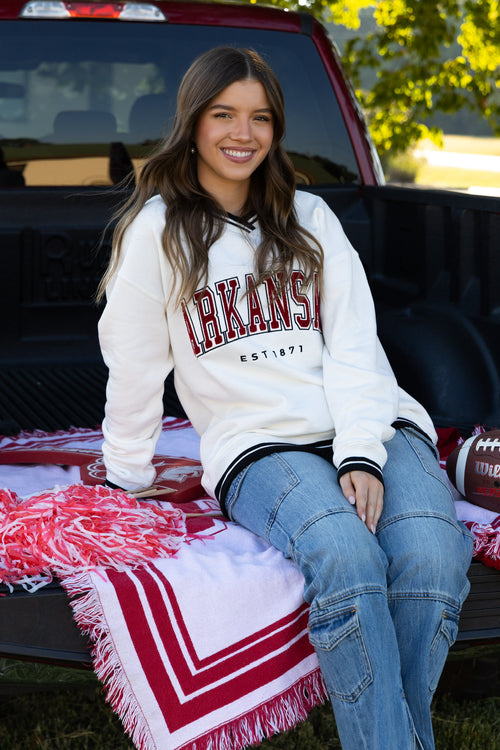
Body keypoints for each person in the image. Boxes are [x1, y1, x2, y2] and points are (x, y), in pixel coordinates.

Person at [97, 46, 473, 750]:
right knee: (348, 558)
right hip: (262, 445)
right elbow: (135, 365)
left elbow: (359, 347)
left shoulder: (311, 218)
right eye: (224, 115)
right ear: (194, 122)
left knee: (429, 557)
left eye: (261, 118)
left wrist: (361, 452)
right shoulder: (156, 232)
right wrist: (128, 472)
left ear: (276, 129)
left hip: (375, 424)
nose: (244, 134)